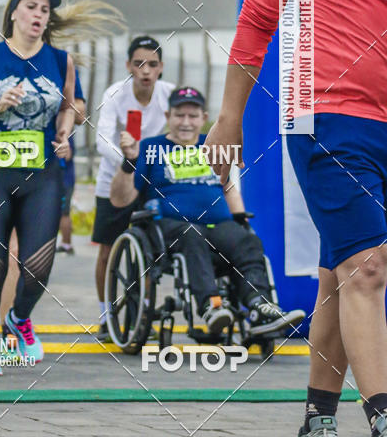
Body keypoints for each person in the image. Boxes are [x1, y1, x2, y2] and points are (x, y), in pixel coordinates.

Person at [205, 0, 387, 437]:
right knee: (368, 267)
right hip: (324, 117)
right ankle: (384, 426)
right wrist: (229, 119)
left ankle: (316, 427)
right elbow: (256, 22)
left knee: (340, 274)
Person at [0, 0, 120, 375]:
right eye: (31, 7)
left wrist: (64, 131)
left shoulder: (61, 60)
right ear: (14, 13)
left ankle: (18, 317)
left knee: (37, 269)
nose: (39, 15)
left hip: (42, 175)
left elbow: (71, 106)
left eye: (45, 10)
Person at [117, 86, 305, 335]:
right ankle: (211, 306)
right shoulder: (151, 148)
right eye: (179, 115)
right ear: (168, 116)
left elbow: (228, 187)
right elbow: (121, 199)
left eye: (192, 116)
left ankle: (259, 306)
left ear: (204, 118)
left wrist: (241, 220)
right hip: (172, 228)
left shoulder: (213, 144)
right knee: (191, 234)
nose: (186, 122)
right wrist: (129, 161)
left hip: (217, 226)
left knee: (247, 241)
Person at [93, 35, 173, 341]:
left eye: (152, 64)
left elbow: (182, 133)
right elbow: (102, 140)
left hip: (150, 181)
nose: (145, 70)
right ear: (128, 66)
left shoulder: (169, 94)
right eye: (139, 63)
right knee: (107, 250)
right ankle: (106, 315)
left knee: (148, 251)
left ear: (161, 67)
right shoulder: (115, 93)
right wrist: (129, 160)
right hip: (114, 179)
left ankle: (143, 316)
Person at [57, 71, 87, 255]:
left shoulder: (64, 131)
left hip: (64, 177)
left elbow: (67, 155)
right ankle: (65, 243)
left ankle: (67, 244)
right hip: (63, 176)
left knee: (63, 212)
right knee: (62, 212)